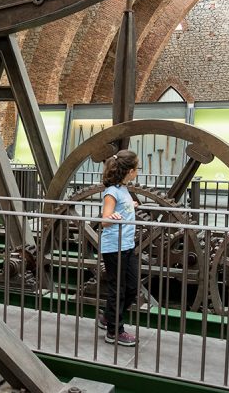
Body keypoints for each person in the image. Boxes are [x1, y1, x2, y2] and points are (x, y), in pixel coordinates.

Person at [97, 149, 139, 347]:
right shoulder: (111, 192)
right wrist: (110, 217)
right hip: (114, 247)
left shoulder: (123, 189)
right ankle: (114, 332)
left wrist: (132, 206)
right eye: (136, 168)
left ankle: (107, 317)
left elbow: (123, 207)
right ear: (129, 171)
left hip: (127, 245)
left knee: (131, 287)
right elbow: (104, 220)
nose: (137, 171)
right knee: (118, 289)